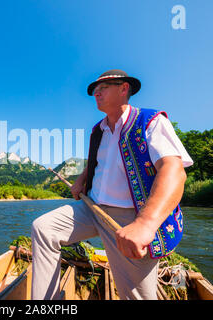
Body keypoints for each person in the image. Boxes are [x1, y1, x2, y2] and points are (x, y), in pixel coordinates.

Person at [31, 69, 193, 300]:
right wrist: (80, 181)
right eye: (95, 92)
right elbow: (97, 162)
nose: (96, 94)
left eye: (103, 89)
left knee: (136, 296)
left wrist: (145, 224)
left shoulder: (151, 121)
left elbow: (174, 171)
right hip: (91, 208)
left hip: (131, 218)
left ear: (124, 88)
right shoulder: (99, 130)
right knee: (44, 228)